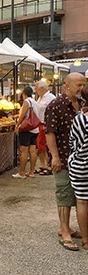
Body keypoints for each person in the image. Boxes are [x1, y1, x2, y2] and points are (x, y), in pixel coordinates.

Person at [45, 72, 86, 251]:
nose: (81, 88)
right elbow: (49, 132)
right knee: (64, 193)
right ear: (67, 86)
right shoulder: (56, 105)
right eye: (78, 85)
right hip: (62, 156)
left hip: (80, 159)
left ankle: (71, 227)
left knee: (79, 196)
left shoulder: (82, 104)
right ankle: (64, 231)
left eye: (83, 85)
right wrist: (54, 156)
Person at [68, 87, 88, 251]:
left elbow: (72, 143)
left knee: (81, 201)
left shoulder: (79, 119)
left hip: (79, 164)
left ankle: (86, 240)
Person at [12, 86, 39, 179]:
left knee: (23, 151)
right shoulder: (35, 101)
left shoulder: (26, 101)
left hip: (26, 129)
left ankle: (21, 173)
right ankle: (31, 172)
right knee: (32, 151)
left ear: (24, 93)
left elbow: (23, 115)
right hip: (35, 129)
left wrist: (17, 125)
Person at [34, 81, 56, 175]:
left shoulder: (50, 98)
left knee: (45, 145)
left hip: (46, 124)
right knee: (40, 146)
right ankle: (42, 164)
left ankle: (49, 165)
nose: (36, 91)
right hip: (39, 124)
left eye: (37, 89)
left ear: (42, 89)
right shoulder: (40, 97)